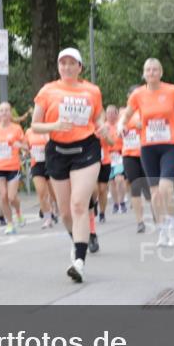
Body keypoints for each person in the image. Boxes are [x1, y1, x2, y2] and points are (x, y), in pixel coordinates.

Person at [31, 48, 106, 283]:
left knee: (79, 205)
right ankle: (77, 240)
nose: (66, 67)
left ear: (80, 67)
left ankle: (80, 261)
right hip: (58, 152)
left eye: (71, 63)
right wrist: (54, 126)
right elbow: (35, 125)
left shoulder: (91, 91)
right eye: (62, 63)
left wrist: (103, 126)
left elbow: (99, 117)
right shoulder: (48, 90)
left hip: (86, 149)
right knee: (64, 211)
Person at [118, 59, 174, 247]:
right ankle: (161, 229)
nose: (151, 73)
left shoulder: (172, 91)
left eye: (154, 69)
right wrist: (121, 124)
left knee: (166, 188)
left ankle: (172, 226)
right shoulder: (137, 94)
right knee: (154, 194)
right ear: (144, 74)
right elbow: (127, 115)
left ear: (161, 72)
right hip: (148, 147)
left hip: (169, 145)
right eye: (148, 70)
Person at [0, 102, 27, 235]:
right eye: (1, 110)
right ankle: (10, 223)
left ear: (10, 113)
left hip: (13, 166)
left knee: (11, 196)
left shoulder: (16, 129)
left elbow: (26, 147)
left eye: (6, 110)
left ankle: (19, 213)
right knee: (3, 196)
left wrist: (19, 145)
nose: (4, 113)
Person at [119, 93, 153, 234]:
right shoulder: (123, 113)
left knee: (148, 187)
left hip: (145, 152)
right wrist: (131, 125)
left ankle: (156, 213)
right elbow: (119, 129)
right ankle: (140, 221)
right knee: (135, 185)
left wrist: (143, 125)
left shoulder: (147, 110)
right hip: (129, 153)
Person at [25, 122, 56, 228]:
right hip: (36, 164)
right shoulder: (29, 132)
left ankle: (55, 209)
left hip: (50, 163)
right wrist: (26, 151)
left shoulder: (49, 129)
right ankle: (48, 218)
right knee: (41, 192)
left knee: (54, 193)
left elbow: (53, 144)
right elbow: (26, 146)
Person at [104, 105, 127, 214]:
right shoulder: (104, 126)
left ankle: (122, 202)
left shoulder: (120, 125)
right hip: (108, 156)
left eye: (113, 113)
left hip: (119, 155)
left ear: (117, 114)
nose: (110, 116)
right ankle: (115, 203)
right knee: (111, 182)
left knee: (119, 179)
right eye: (108, 113)